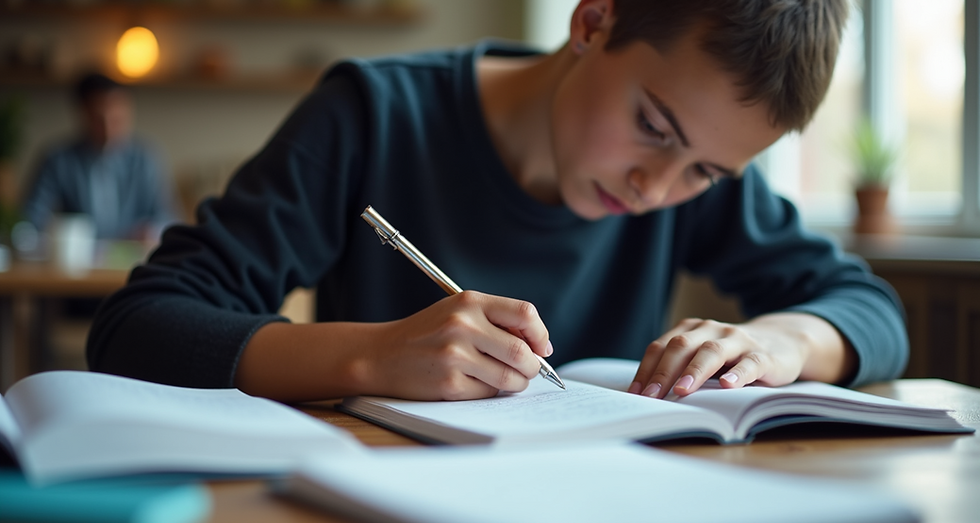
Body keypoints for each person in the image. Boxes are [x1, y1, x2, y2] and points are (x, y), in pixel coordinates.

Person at [88, 0, 908, 404]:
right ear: (593, 23)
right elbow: (137, 326)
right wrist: (369, 357)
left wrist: (779, 344)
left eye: (706, 174)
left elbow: (867, 307)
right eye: (652, 127)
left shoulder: (687, 170)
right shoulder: (374, 116)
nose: (655, 190)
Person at [21, 72, 178, 244]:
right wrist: (52, 232)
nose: (108, 131)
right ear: (82, 113)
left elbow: (169, 219)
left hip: (133, 260)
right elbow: (30, 218)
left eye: (117, 120)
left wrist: (152, 230)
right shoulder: (58, 159)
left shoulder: (145, 159)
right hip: (77, 265)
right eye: (99, 120)